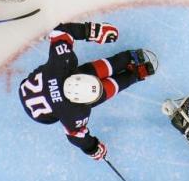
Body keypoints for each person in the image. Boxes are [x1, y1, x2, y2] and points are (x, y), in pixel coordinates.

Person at [18, 22, 157, 160]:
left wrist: (93, 148)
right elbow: (75, 136)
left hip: (46, 85)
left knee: (97, 87)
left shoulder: (62, 65)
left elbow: (78, 138)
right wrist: (93, 32)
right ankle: (131, 69)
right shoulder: (73, 111)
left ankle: (131, 71)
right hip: (44, 112)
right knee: (93, 79)